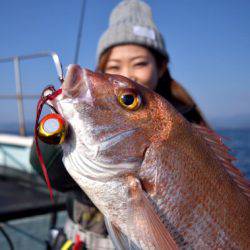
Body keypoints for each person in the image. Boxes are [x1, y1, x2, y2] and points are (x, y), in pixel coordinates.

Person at [30, 0, 209, 249]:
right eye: (114, 67)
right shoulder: (92, 120)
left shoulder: (188, 125)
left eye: (139, 63)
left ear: (162, 66)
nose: (128, 73)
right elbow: (49, 174)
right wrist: (57, 138)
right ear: (102, 69)